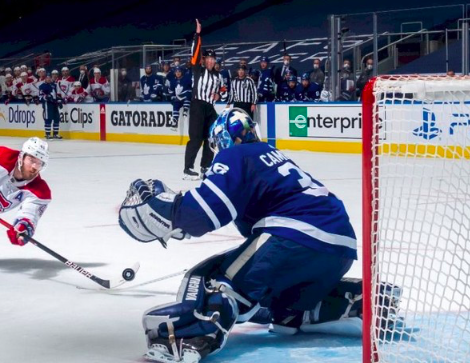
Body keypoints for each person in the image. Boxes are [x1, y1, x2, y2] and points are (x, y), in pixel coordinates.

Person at [118, 108, 358, 363]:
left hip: (295, 236)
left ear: (222, 140)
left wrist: (166, 207)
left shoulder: (235, 155)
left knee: (212, 279)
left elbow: (201, 213)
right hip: (340, 247)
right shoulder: (271, 155)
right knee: (274, 300)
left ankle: (191, 335)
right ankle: (329, 305)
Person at [184, 19, 222, 180]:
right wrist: (197, 34)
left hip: (210, 107)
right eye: (208, 58)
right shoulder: (198, 70)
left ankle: (205, 166)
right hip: (198, 105)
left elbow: (221, 91)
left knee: (211, 137)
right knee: (196, 138)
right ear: (204, 60)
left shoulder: (218, 76)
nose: (211, 61)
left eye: (213, 59)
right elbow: (195, 53)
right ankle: (188, 168)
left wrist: (219, 95)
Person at [39, 75, 63, 140]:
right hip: (47, 104)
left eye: (50, 78)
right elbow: (40, 97)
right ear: (45, 79)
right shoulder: (42, 86)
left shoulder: (54, 85)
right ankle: (48, 134)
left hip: (54, 104)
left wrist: (59, 100)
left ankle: (55, 134)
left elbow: (55, 95)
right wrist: (46, 97)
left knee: (57, 118)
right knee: (48, 119)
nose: (49, 79)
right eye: (47, 78)